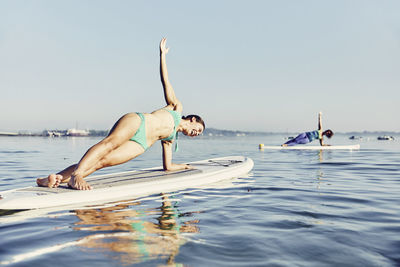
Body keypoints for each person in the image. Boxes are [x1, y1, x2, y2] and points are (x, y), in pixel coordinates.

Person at [36, 38, 205, 190]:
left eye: (198, 134)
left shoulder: (170, 139)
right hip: (139, 122)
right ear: (193, 119)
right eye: (198, 129)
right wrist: (162, 56)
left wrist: (185, 166)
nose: (196, 134)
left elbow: (167, 166)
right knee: (108, 144)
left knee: (101, 162)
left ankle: (49, 180)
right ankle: (75, 176)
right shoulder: (177, 107)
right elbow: (165, 82)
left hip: (141, 144)